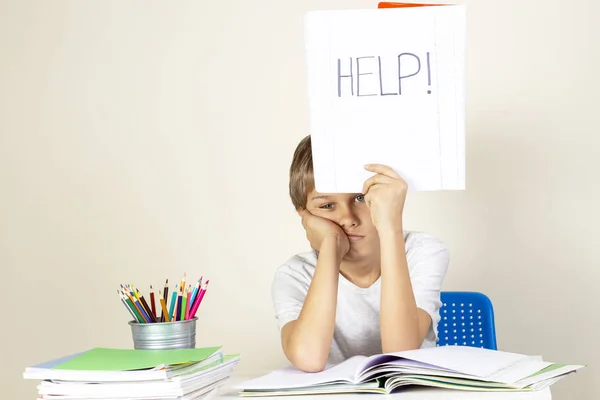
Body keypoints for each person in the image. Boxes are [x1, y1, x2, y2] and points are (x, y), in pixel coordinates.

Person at [271, 135, 450, 372]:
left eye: (360, 198)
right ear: (305, 216)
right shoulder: (294, 274)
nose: (348, 219)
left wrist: (390, 227)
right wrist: (330, 246)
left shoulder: (422, 251)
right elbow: (309, 359)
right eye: (327, 206)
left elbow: (400, 354)